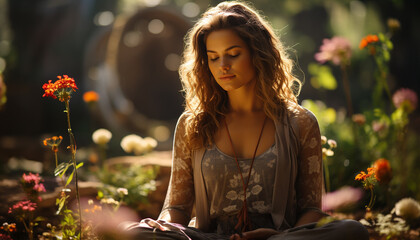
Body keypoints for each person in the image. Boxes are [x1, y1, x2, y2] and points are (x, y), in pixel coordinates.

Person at [123, 1, 369, 239]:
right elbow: (176, 207)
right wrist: (165, 228)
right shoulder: (193, 124)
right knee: (134, 233)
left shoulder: (299, 123)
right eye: (214, 57)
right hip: (210, 238)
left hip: (279, 238)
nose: (223, 66)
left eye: (233, 54)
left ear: (258, 53)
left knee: (352, 230)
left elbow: (312, 210)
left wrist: (278, 235)